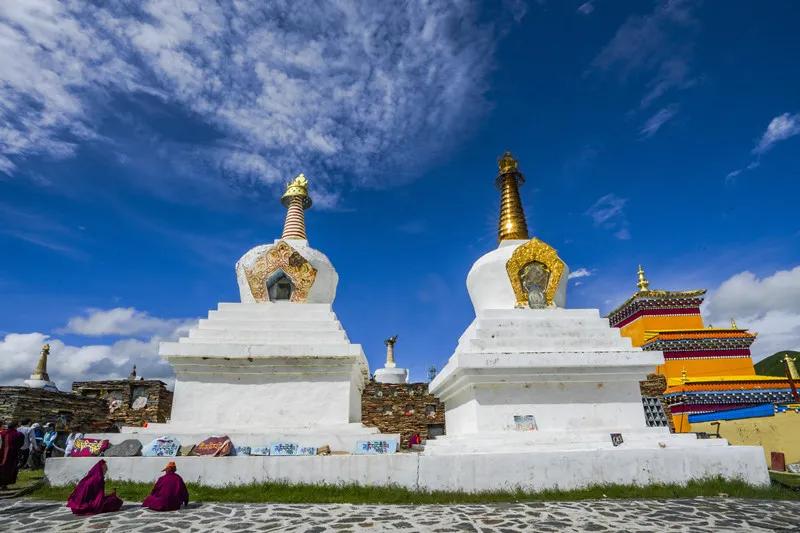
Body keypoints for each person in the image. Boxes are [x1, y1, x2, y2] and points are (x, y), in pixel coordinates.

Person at [0, 422, 25, 490]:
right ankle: (4, 485)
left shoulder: (2, 433)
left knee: (2, 468)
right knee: (10, 469)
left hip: (2, 454)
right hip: (13, 454)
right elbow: (21, 444)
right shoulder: (19, 434)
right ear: (16, 427)